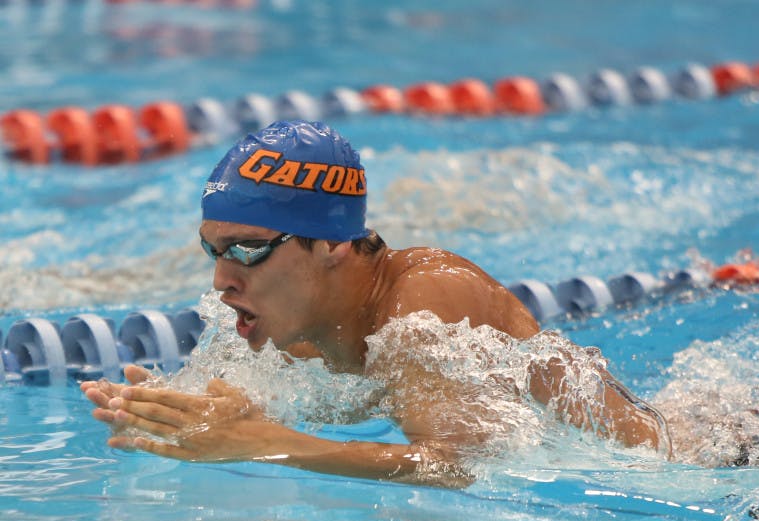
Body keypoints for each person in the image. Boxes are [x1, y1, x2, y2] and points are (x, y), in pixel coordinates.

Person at [82, 120, 671, 485]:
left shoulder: (423, 302)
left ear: (332, 243)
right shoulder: (297, 326)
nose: (221, 281)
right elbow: (256, 412)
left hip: (693, 465)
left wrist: (268, 445)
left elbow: (458, 467)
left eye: (248, 251)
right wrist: (173, 413)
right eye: (213, 250)